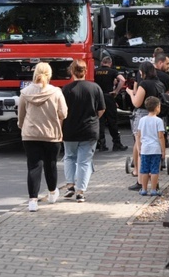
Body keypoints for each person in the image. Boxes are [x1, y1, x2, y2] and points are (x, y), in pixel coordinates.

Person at [18, 62, 68, 212]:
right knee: (50, 164)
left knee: (33, 166)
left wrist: (22, 127)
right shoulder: (56, 92)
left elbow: (21, 115)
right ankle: (52, 193)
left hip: (30, 134)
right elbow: (63, 113)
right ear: (50, 74)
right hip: (51, 134)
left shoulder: (25, 92)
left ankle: (33, 201)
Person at [61, 59, 106, 203]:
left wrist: (61, 127)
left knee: (69, 157)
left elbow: (61, 112)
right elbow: (102, 109)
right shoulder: (95, 88)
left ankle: (69, 186)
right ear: (85, 71)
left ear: (72, 72)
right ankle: (80, 191)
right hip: (89, 130)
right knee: (84, 161)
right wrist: (93, 119)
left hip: (70, 129)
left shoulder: (66, 89)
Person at [124, 61, 164, 191]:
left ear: (143, 72)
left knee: (141, 148)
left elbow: (136, 103)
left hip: (142, 115)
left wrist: (130, 93)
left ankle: (141, 181)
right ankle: (154, 182)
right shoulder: (159, 84)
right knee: (154, 147)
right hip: (156, 116)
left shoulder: (144, 84)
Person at [93, 56, 128, 152]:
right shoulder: (112, 71)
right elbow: (122, 80)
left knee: (100, 120)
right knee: (112, 120)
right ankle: (116, 143)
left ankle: (101, 144)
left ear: (101, 63)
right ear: (110, 63)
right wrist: (116, 91)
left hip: (97, 97)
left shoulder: (95, 71)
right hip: (108, 97)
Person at [136, 96, 166, 197]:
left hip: (145, 149)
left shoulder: (142, 120)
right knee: (154, 170)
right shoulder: (158, 121)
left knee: (144, 170)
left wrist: (139, 147)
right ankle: (153, 190)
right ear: (157, 107)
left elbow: (139, 135)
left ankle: (144, 189)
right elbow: (161, 136)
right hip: (155, 149)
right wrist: (163, 150)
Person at [153, 52, 169, 147]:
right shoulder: (166, 77)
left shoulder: (142, 75)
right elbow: (167, 93)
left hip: (146, 106)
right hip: (161, 106)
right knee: (163, 124)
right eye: (167, 64)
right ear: (160, 63)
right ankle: (164, 138)